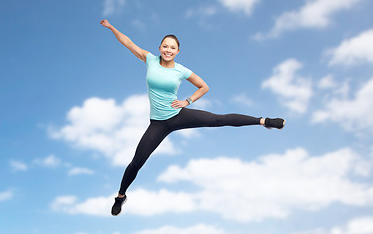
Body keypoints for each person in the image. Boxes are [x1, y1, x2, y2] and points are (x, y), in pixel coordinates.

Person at [100, 19, 285, 216]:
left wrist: (187, 101)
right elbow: (128, 42)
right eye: (165, 46)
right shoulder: (150, 60)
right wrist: (112, 28)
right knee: (137, 162)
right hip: (158, 124)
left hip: (178, 115)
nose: (168, 50)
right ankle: (120, 197)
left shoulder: (181, 70)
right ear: (160, 47)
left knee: (217, 120)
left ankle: (264, 121)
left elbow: (204, 86)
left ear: (177, 51)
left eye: (172, 47)